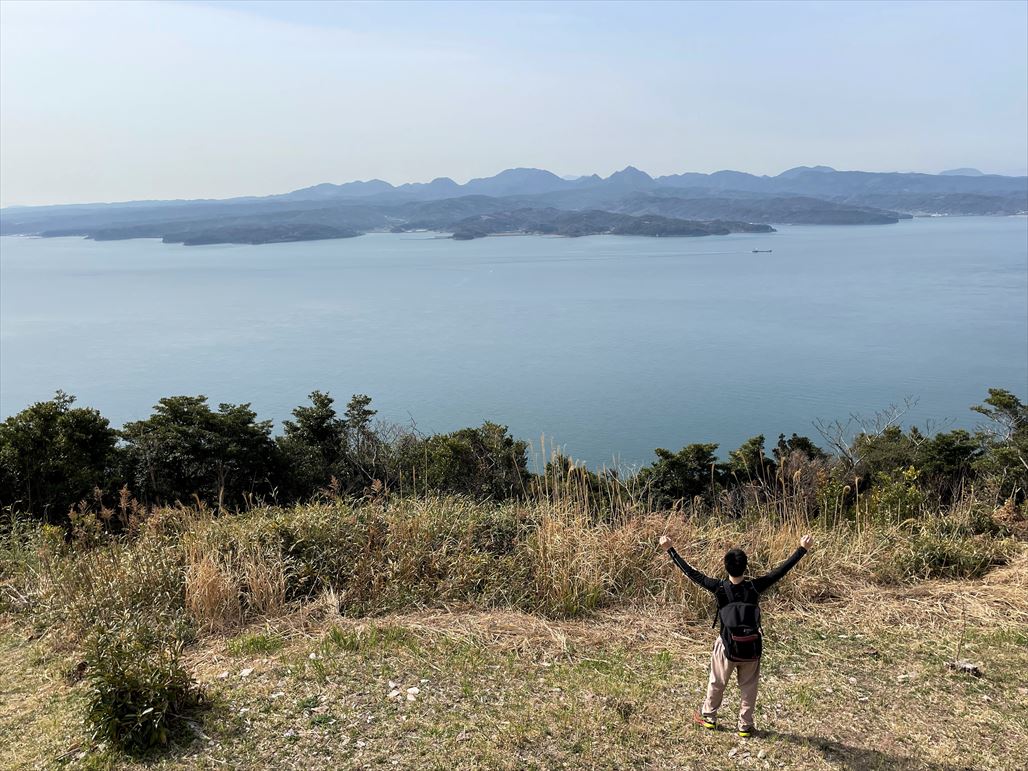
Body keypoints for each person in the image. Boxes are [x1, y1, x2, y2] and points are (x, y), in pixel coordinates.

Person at [658, 532, 814, 738]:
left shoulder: (719, 588)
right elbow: (780, 572)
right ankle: (745, 726)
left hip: (726, 646)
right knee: (749, 687)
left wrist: (670, 549)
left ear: (725, 567)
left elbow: (692, 574)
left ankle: (709, 718)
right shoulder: (755, 587)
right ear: (746, 566)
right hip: (751, 647)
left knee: (717, 682)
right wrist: (802, 549)